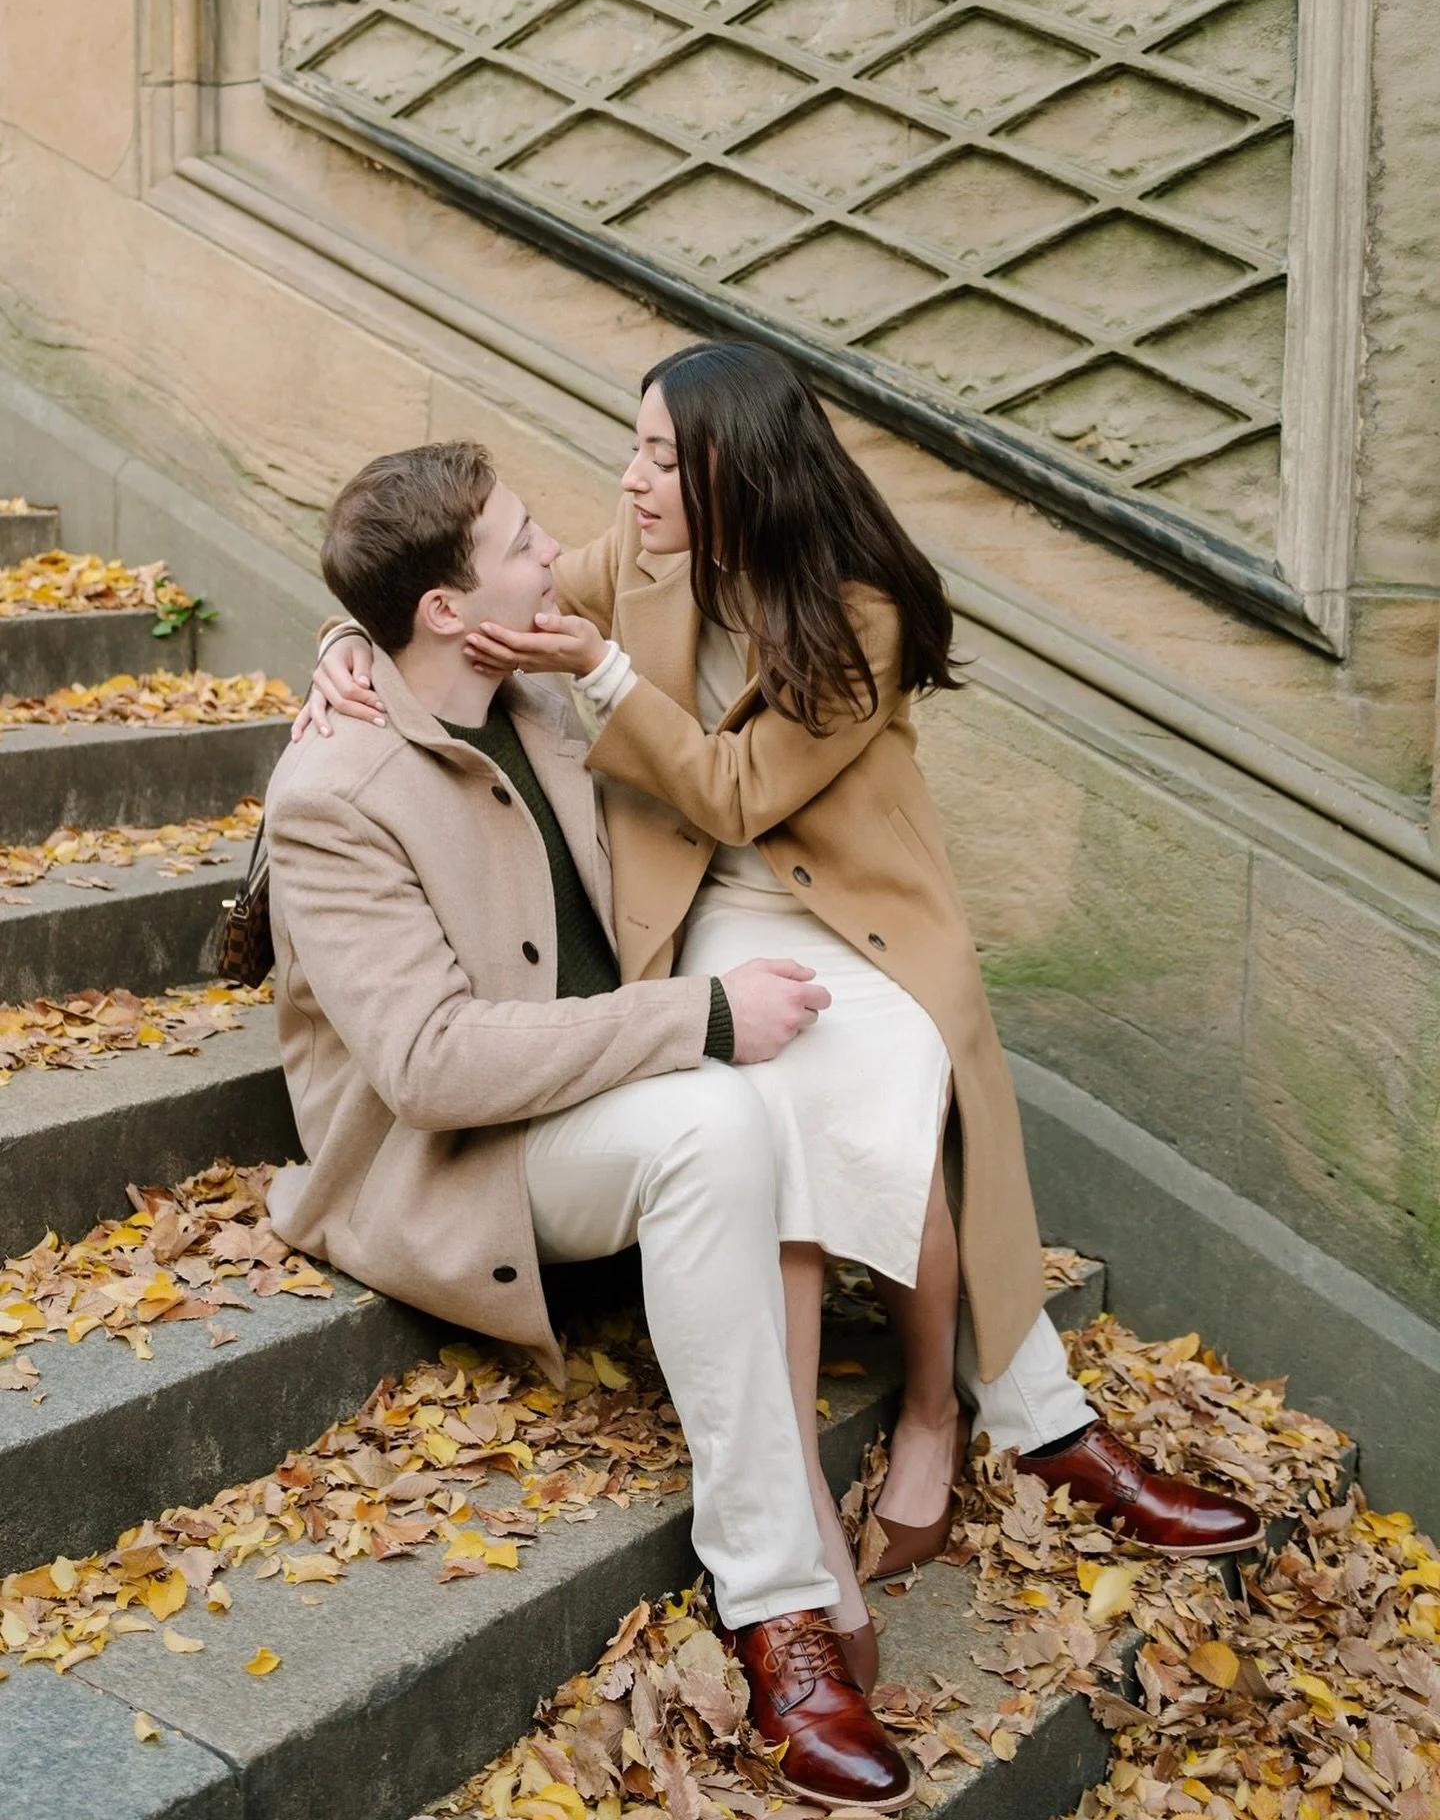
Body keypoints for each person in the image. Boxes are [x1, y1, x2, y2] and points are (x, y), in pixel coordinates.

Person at [302, 345, 1264, 1688]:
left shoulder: (857, 608)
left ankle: (957, 1415)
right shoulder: (632, 559)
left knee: (887, 1078)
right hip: (722, 912)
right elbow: (436, 603)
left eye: (658, 459)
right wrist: (346, 648)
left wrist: (608, 685)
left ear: (733, 477)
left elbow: (743, 792)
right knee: (785, 1099)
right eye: (632, 449)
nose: (627, 481)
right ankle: (881, 1476)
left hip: (861, 907)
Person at [265, 440, 916, 1812]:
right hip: (458, 1160)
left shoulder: (540, 693)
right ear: (447, 608)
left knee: (816, 1072)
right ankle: (779, 1606)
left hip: (590, 1088)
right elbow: (433, 1069)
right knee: (717, 1125)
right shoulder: (332, 790)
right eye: (518, 541)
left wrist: (345, 628)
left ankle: (955, 1429)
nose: (551, 552)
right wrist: (707, 1019)